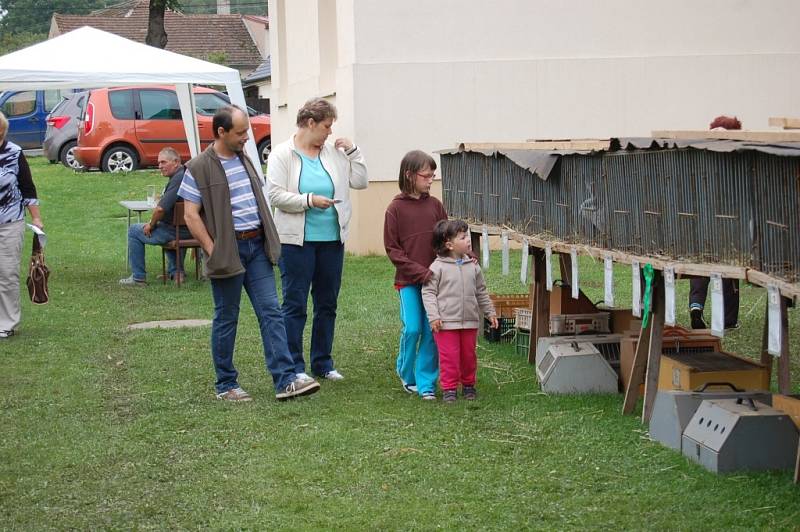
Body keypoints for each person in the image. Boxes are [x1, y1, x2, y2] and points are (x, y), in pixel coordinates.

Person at [178, 105, 320, 401]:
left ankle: (285, 380)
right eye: (241, 132)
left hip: (256, 247)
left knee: (271, 312)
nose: (247, 137)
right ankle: (226, 384)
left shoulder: (246, 159)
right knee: (227, 317)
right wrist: (213, 250)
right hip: (227, 252)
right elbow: (191, 215)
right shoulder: (198, 167)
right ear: (221, 132)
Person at [268, 98, 368, 381]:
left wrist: (353, 152)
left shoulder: (333, 153)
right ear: (310, 123)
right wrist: (309, 200)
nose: (329, 133)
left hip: (331, 240)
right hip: (296, 242)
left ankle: (323, 363)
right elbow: (274, 195)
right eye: (326, 126)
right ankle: (294, 367)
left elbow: (360, 181)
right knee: (295, 303)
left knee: (327, 303)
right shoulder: (282, 154)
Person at [384, 150, 448, 400]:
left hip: (434, 283)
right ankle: (406, 372)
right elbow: (393, 250)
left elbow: (448, 238)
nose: (431, 180)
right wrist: (420, 272)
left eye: (433, 175)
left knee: (432, 330)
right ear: (409, 175)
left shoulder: (435, 206)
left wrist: (465, 256)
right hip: (409, 282)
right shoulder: (395, 209)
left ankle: (426, 384)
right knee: (412, 329)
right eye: (426, 175)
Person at [422, 219, 497, 403]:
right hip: (446, 324)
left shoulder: (473, 265)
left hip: (470, 321)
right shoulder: (437, 268)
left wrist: (490, 312)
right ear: (449, 244)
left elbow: (481, 291)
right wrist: (434, 317)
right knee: (450, 357)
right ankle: (449, 388)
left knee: (469, 356)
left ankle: (469, 385)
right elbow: (429, 293)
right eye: (463, 238)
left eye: (468, 236)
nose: (468, 241)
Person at [689, 115, 742, 330]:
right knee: (730, 272)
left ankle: (696, 307)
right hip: (729, 224)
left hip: (702, 221)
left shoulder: (701, 154)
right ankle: (728, 320)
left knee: (700, 268)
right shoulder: (737, 156)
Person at [119, 147, 192, 286]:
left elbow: (160, 209)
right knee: (166, 226)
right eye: (159, 163)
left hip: (179, 231)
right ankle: (177, 273)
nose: (160, 166)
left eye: (163, 162)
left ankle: (138, 277)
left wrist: (151, 225)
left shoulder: (178, 179)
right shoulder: (185, 175)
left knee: (134, 230)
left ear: (176, 162)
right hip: (189, 228)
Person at [0, 111, 43, 339]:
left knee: (7, 273)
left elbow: (28, 188)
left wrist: (36, 217)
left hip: (9, 222)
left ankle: (7, 323)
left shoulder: (14, 153)